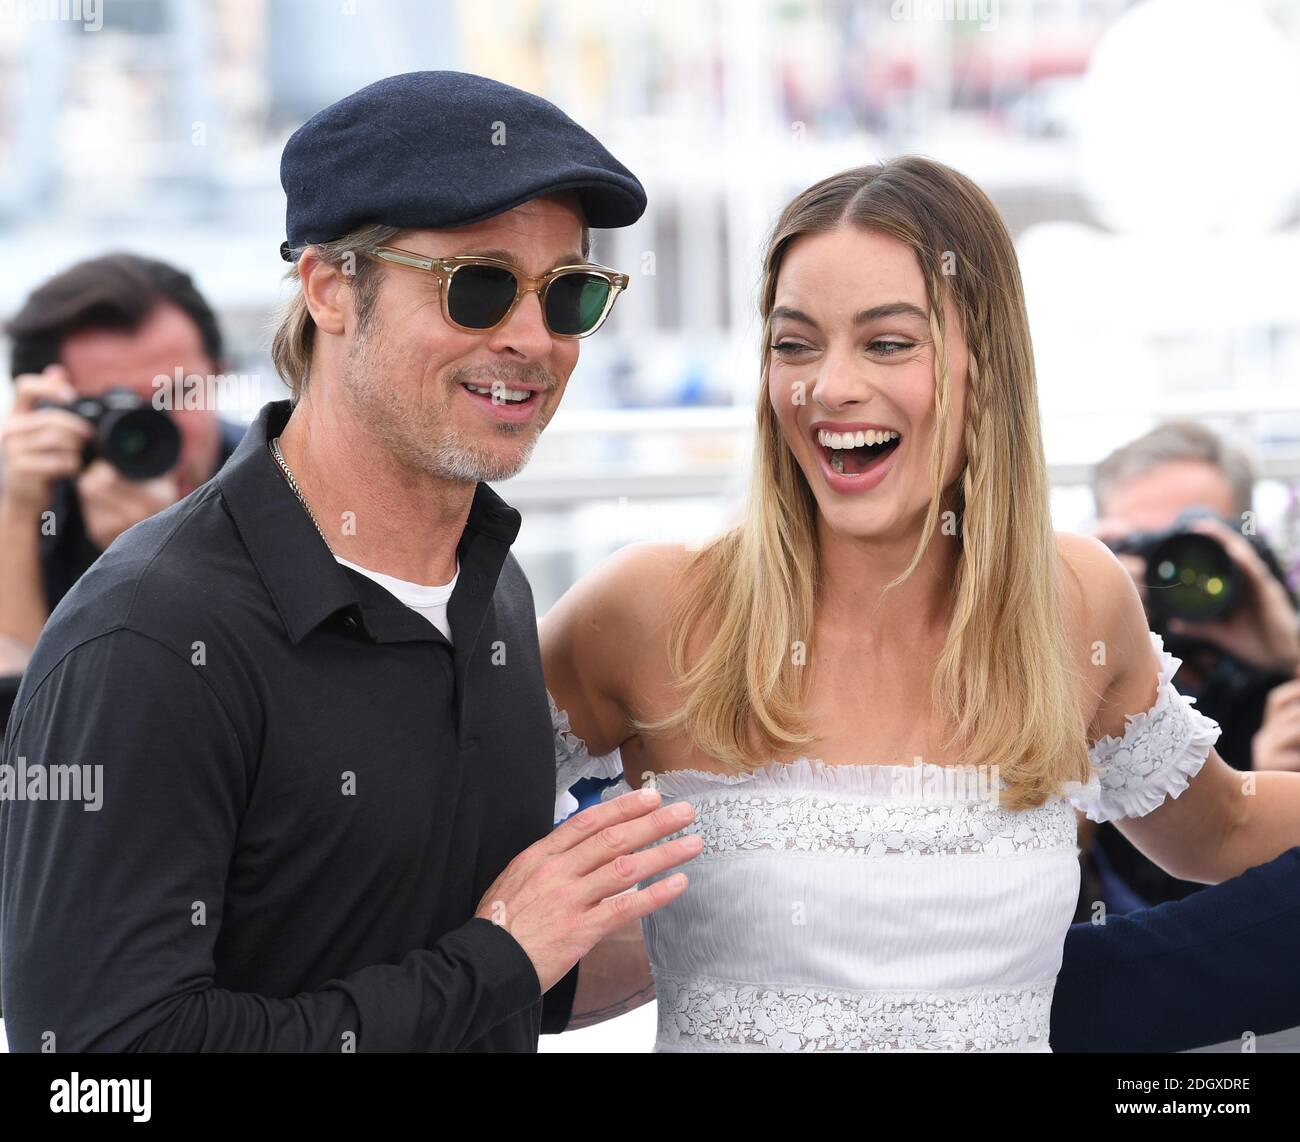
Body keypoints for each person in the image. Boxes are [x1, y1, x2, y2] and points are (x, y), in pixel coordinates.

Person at [0, 71, 700, 1052]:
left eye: (570, 293)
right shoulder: (146, 639)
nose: (532, 337)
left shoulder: (495, 590)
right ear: (331, 288)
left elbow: (441, 966)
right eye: (478, 284)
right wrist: (500, 953)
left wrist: (714, 926)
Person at [539, 156, 1300, 1051]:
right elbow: (427, 838)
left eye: (888, 342)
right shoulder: (649, 607)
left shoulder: (1077, 603)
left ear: (987, 362)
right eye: (795, 344)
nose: (829, 387)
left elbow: (1222, 828)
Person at [1082, 421, 1300, 911]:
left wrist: (1291, 652)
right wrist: (1084, 609)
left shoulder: (1279, 681)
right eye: (1141, 546)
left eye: (1195, 546)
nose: (1173, 573)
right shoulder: (1081, 678)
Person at [0, 253, 247, 669]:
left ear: (219, 375)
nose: (155, 429)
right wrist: (19, 512)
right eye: (119, 407)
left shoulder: (282, 484)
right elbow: (13, 698)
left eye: (180, 393)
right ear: (50, 409)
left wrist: (166, 550)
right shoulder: (28, 484)